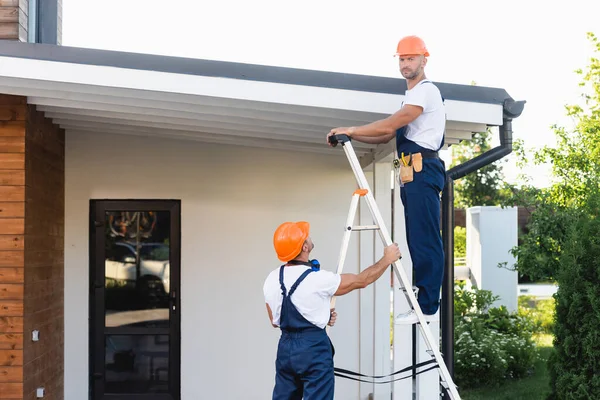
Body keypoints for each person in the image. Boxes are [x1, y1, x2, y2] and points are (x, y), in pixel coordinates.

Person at [326, 35, 446, 324]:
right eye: (402, 59)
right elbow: (387, 134)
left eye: (411, 58)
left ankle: (427, 307)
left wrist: (352, 129)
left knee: (425, 239)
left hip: (421, 170)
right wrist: (351, 135)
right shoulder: (411, 96)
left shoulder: (425, 92)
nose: (406, 64)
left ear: (424, 59)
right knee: (417, 238)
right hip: (410, 172)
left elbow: (393, 123)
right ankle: (424, 300)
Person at [263, 221, 401, 400]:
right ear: (305, 247)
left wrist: (320, 315)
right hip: (313, 349)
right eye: (307, 236)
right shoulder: (318, 279)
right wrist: (387, 259)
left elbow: (275, 321)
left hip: (285, 350)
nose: (310, 236)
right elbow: (362, 280)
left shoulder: (272, 279)